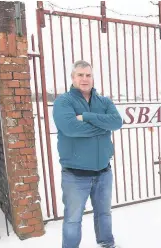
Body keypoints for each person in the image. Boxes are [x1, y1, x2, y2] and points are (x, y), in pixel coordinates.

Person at [53, 60, 123, 248]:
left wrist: (87, 117)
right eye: (80, 75)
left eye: (88, 75)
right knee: (73, 219)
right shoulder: (63, 101)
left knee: (104, 213)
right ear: (73, 77)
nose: (85, 79)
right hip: (75, 175)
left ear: (92, 77)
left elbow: (116, 122)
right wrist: (102, 127)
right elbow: (70, 128)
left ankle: (107, 243)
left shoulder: (104, 101)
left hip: (103, 172)